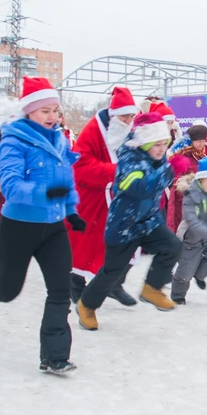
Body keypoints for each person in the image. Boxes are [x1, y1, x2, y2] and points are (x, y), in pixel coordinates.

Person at [0, 77, 84, 375]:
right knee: (8, 291)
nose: (52, 116)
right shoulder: (13, 140)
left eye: (55, 110)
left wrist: (71, 210)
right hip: (19, 227)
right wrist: (45, 193)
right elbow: (9, 185)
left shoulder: (59, 139)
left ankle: (54, 356)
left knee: (60, 291)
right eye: (45, 110)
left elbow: (65, 181)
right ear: (29, 111)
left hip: (53, 228)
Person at [77, 112, 183, 330]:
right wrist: (170, 170)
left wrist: (168, 168)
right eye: (157, 144)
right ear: (144, 142)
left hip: (148, 221)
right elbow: (141, 188)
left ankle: (151, 288)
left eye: (164, 144)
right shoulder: (128, 159)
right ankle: (86, 305)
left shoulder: (157, 158)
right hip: (124, 226)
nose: (162, 149)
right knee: (112, 272)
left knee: (172, 246)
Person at [68, 86, 140, 306]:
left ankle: (114, 284)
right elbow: (80, 166)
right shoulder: (92, 131)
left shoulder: (130, 131)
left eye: (132, 116)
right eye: (125, 116)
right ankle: (76, 284)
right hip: (93, 197)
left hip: (120, 199)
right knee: (86, 245)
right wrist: (116, 171)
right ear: (114, 115)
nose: (129, 120)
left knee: (130, 244)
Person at [172, 157, 207, 304]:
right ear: (201, 179)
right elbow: (191, 220)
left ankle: (199, 274)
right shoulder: (191, 194)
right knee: (185, 272)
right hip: (191, 237)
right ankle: (178, 295)